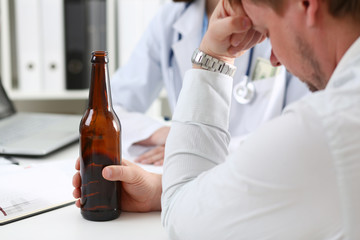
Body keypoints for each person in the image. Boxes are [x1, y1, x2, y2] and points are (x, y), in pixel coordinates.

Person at [73, 0, 360, 238]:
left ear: (308, 4)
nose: (274, 59)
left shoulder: (327, 128)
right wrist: (163, 187)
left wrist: (212, 60)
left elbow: (183, 223)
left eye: (267, 32)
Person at [111, 0, 309, 165]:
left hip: (260, 173)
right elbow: (108, 109)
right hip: (189, 177)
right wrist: (164, 134)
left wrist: (196, 148)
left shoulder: (286, 14)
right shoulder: (169, 21)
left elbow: (304, 128)